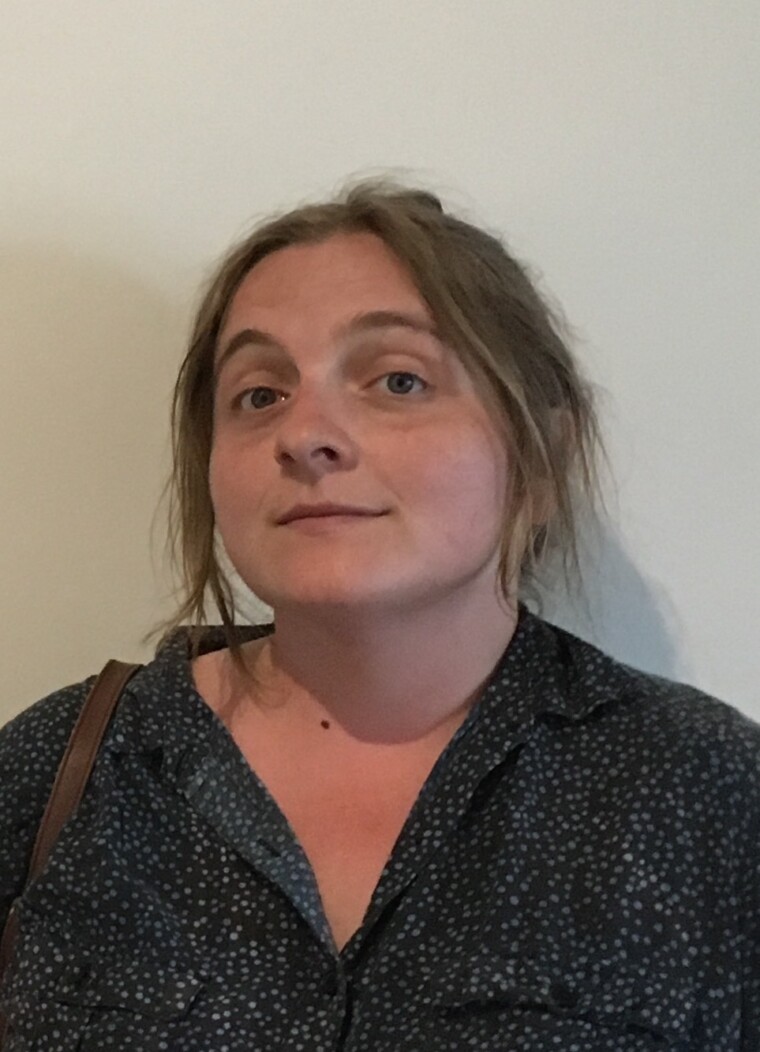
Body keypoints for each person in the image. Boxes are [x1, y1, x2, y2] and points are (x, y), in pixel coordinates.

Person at [0, 179, 757, 1051]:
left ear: (543, 456)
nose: (305, 434)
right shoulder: (59, 773)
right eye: (259, 393)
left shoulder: (708, 795)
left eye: (398, 380)